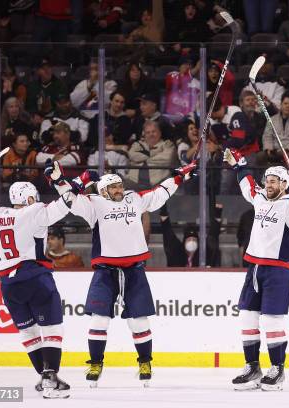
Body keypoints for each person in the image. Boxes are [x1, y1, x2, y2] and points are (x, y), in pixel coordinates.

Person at [59, 161, 196, 387]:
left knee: (139, 321)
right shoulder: (93, 204)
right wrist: (61, 182)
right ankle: (95, 363)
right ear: (103, 191)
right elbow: (69, 200)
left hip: (134, 270)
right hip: (105, 272)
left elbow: (159, 194)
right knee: (99, 320)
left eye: (120, 186)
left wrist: (179, 177)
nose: (119, 190)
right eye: (113, 187)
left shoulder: (134, 199)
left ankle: (145, 362)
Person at [223, 147, 289, 391]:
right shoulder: (260, 198)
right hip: (255, 266)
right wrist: (239, 164)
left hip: (279, 269)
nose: (269, 184)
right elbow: (247, 184)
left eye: (274, 181)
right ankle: (252, 367)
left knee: (272, 321)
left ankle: (277, 369)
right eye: (267, 180)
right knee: (247, 316)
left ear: (285, 183)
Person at [0, 181, 74, 398]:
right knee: (52, 327)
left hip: (8, 283)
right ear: (30, 198)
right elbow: (66, 203)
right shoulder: (35, 211)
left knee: (28, 331)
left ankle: (45, 375)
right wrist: (77, 184)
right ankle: (50, 378)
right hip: (35, 276)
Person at [260, 91, 289, 165]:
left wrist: (286, 149)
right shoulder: (272, 119)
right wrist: (268, 148)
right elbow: (267, 136)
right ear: (281, 104)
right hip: (273, 150)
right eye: (285, 103)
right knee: (260, 157)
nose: (287, 106)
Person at [128, 121, 177, 188]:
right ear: (144, 135)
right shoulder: (137, 144)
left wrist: (142, 158)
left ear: (160, 133)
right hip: (133, 181)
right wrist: (155, 153)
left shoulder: (167, 145)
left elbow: (167, 159)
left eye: (154, 131)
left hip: (159, 184)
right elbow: (132, 156)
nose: (151, 134)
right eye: (148, 132)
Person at [25, 58, 68, 124]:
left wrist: (46, 119)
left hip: (54, 119)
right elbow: (29, 105)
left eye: (49, 67)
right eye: (43, 69)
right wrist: (34, 115)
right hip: (36, 120)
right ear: (38, 71)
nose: (47, 71)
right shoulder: (32, 86)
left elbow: (62, 106)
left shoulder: (60, 85)